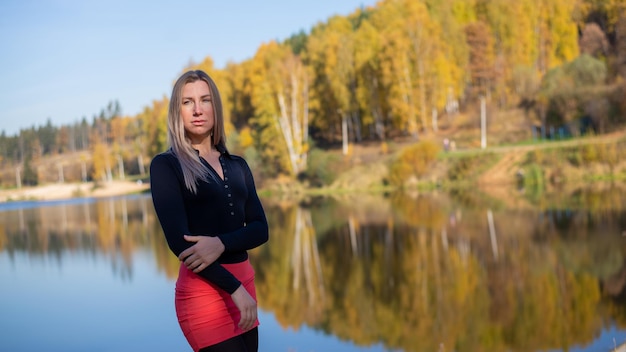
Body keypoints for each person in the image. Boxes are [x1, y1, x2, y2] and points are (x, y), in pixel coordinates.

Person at [150, 70, 269, 352]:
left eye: (205, 100)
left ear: (215, 107)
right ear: (176, 111)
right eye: (187, 102)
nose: (198, 109)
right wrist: (234, 289)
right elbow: (180, 243)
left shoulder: (238, 165)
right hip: (204, 292)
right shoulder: (166, 165)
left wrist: (221, 243)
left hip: (245, 283)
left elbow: (260, 228)